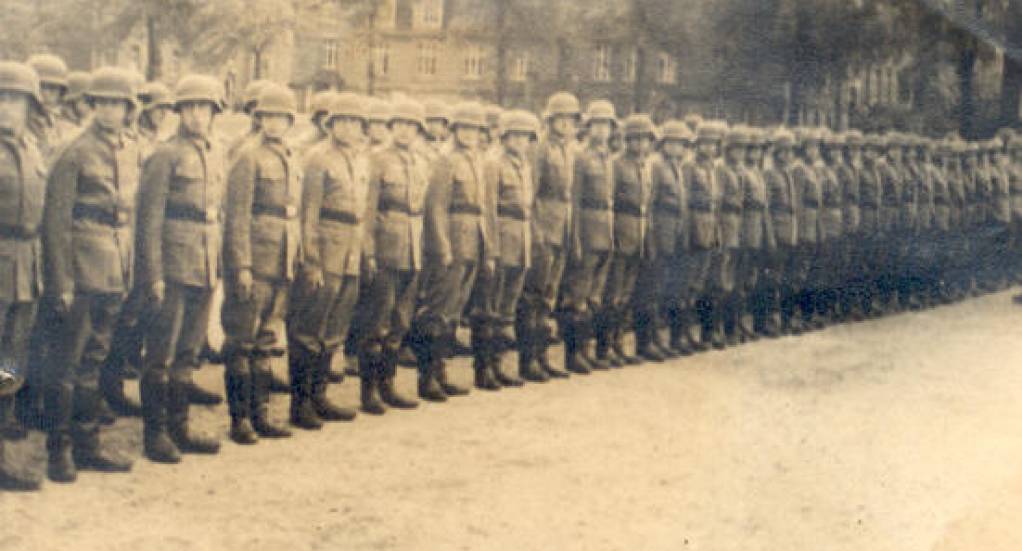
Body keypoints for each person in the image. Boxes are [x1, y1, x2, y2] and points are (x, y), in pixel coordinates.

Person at [42, 66, 140, 482]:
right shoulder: (74, 152)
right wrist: (62, 282)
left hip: (114, 269)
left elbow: (129, 216)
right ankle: (59, 450)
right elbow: (56, 223)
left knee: (95, 360)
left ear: (128, 109)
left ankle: (87, 444)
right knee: (67, 363)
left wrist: (129, 269)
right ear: (92, 106)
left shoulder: (130, 150)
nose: (109, 110)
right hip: (81, 271)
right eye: (102, 103)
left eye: (117, 104)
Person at [135, 74, 227, 462]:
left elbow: (218, 215)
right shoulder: (165, 155)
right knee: (161, 353)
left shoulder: (216, 152)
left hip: (204, 265)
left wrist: (218, 265)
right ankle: (155, 434)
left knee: (189, 352)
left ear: (214, 112)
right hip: (172, 267)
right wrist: (153, 274)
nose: (197, 115)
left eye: (204, 108)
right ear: (180, 112)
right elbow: (149, 220)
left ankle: (179, 427)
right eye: (190, 107)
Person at [221, 82, 301, 444]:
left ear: (290, 121)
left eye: (281, 117)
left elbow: (293, 216)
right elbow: (237, 217)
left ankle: (261, 414)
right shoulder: (248, 157)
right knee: (242, 340)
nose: (274, 123)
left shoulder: (291, 157)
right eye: (268, 116)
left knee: (267, 340)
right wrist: (241, 265)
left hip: (282, 262)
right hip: (255, 262)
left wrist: (296, 258)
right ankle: (240, 420)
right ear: (259, 119)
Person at [286, 92, 368, 429]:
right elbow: (309, 215)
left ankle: (319, 396)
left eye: (354, 122)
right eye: (341, 121)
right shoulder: (318, 158)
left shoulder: (362, 159)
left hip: (351, 252)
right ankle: (300, 402)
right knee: (309, 328)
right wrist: (312, 261)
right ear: (330, 124)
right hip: (326, 250)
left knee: (335, 329)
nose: (348, 127)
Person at [412, 101, 493, 396]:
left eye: (475, 129)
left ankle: (441, 370)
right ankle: (427, 377)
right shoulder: (446, 160)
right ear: (455, 130)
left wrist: (487, 247)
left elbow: (484, 208)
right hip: (452, 241)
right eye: (464, 128)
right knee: (438, 308)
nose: (470, 134)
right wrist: (442, 246)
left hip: (473, 240)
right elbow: (435, 207)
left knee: (454, 309)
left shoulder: (478, 160)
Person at [356, 98, 425, 414]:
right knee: (377, 321)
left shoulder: (420, 162)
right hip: (386, 249)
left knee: (400, 321)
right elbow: (367, 210)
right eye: (400, 124)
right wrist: (369, 251)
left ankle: (388, 384)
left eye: (411, 126)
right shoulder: (377, 159)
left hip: (413, 249)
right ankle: (369, 391)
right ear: (391, 127)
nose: (405, 130)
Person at [0, 61, 48, 491]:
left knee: (9, 363)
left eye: (16, 100)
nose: (7, 107)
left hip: (24, 265)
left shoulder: (33, 148)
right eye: (2, 98)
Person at [519, 92, 580, 380]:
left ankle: (542, 356)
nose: (566, 123)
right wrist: (535, 232)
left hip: (561, 229)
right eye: (561, 118)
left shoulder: (569, 150)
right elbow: (530, 195)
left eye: (570, 118)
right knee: (533, 294)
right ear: (551, 120)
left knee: (549, 296)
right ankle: (528, 360)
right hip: (543, 228)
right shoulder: (540, 149)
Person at [480, 109, 538, 386]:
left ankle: (499, 364)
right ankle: (484, 369)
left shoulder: (525, 165)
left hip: (520, 238)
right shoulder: (494, 164)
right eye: (515, 136)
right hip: (502, 237)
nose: (520, 141)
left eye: (525, 136)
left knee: (508, 308)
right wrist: (491, 249)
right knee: (491, 304)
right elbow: (489, 209)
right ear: (504, 137)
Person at [564, 100, 617, 370]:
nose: (602, 130)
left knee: (596, 294)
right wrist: (575, 237)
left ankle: (588, 350)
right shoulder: (581, 157)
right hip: (586, 230)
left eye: (606, 125)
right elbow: (574, 200)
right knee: (579, 293)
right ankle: (574, 354)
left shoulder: (609, 158)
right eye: (597, 124)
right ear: (588, 127)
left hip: (605, 231)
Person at [652, 120, 695, 354]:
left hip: (677, 231)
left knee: (676, 286)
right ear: (663, 144)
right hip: (662, 230)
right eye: (672, 143)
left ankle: (675, 338)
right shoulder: (657, 166)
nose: (676, 147)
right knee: (656, 286)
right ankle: (653, 340)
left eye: (681, 144)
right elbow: (651, 204)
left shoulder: (678, 167)